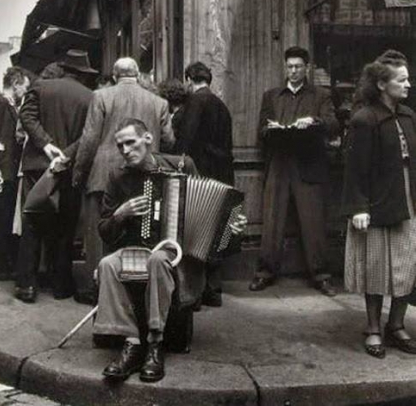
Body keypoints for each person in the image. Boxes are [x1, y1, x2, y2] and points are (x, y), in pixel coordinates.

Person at [95, 118, 246, 383]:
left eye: (131, 142)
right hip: (135, 249)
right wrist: (120, 214)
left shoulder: (181, 165)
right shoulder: (118, 177)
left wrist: (231, 226)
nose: (126, 150)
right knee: (108, 264)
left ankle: (154, 343)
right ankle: (131, 343)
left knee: (157, 259)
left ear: (148, 140)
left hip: (176, 253)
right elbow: (104, 230)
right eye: (120, 146)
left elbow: (213, 214)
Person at [72, 57, 175, 283]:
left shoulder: (100, 96)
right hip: (148, 175)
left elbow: (89, 140)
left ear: (115, 76)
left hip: (102, 174)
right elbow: (169, 142)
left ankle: (97, 289)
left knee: (99, 236)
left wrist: (79, 174)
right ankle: (139, 286)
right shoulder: (159, 102)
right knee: (143, 234)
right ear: (137, 75)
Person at [343, 50, 416, 358]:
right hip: (374, 205)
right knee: (375, 269)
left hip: (407, 202)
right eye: (402, 79)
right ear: (383, 84)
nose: (409, 84)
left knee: (406, 267)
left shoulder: (409, 116)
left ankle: (396, 325)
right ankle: (373, 328)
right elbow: (355, 169)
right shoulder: (364, 119)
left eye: (408, 78)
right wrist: (359, 207)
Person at [249, 46, 338, 296]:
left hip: (308, 163)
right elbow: (262, 131)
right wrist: (274, 128)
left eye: (298, 66)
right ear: (285, 67)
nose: (294, 71)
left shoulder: (320, 96)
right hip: (279, 163)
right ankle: (264, 272)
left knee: (313, 223)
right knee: (272, 221)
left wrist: (314, 122)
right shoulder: (272, 96)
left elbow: (333, 125)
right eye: (290, 67)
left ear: (306, 67)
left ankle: (321, 276)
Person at [14, 49, 95, 303]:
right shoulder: (90, 97)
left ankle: (27, 285)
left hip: (37, 164)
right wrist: (66, 155)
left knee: (32, 221)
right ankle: (61, 284)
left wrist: (46, 144)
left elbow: (25, 116)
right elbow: (89, 136)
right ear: (82, 73)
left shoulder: (40, 87)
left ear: (64, 67)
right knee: (65, 225)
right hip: (69, 168)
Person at [174, 62, 234, 307]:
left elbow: (186, 142)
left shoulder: (194, 103)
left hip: (199, 174)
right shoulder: (222, 105)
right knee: (217, 230)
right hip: (222, 174)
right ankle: (214, 289)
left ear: (189, 79)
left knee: (195, 231)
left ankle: (195, 294)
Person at [0, 67, 30, 278]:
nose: (25, 91)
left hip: (7, 170)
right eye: (25, 87)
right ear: (16, 84)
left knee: (1, 218)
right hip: (0, 171)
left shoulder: (10, 105)